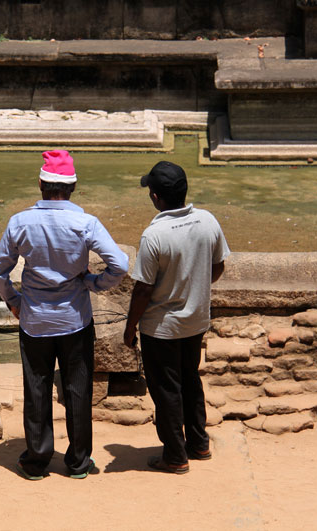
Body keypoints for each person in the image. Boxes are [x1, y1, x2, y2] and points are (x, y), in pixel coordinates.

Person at [0, 150, 129, 480]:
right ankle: (78, 461)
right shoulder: (85, 223)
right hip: (75, 320)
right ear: (73, 187)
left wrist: (14, 300)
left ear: (40, 183)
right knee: (78, 390)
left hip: (35, 320)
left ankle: (37, 460)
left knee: (37, 388)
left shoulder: (20, 223)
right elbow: (121, 265)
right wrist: (94, 283)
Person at [123, 160, 229, 474]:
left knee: (167, 390)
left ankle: (175, 455)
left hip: (162, 328)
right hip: (195, 320)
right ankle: (199, 443)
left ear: (156, 197)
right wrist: (195, 287)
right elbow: (219, 265)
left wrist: (130, 329)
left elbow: (142, 290)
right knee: (190, 380)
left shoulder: (154, 235)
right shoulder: (207, 220)